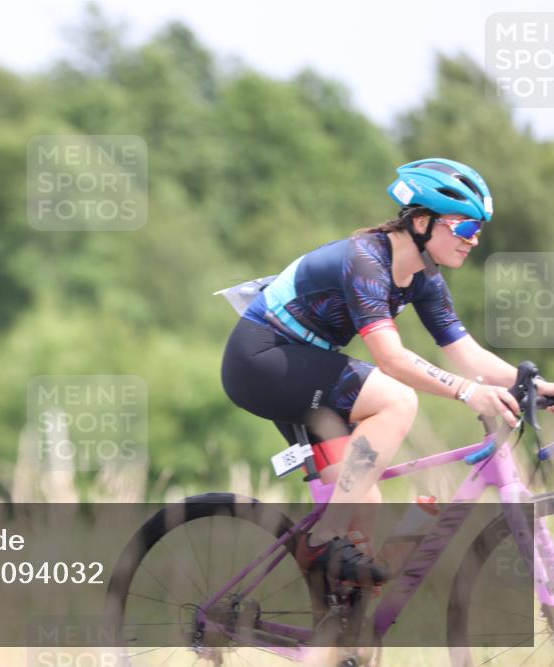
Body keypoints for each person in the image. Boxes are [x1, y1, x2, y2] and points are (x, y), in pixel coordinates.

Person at [221, 158, 554, 586]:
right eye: (465, 228)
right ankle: (321, 540)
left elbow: (466, 353)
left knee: (364, 513)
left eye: (479, 230)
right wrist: (470, 393)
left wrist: (533, 385)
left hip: (307, 371)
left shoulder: (423, 277)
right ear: (420, 221)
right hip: (263, 360)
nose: (473, 240)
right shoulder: (364, 262)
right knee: (396, 400)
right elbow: (392, 360)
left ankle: (339, 629)